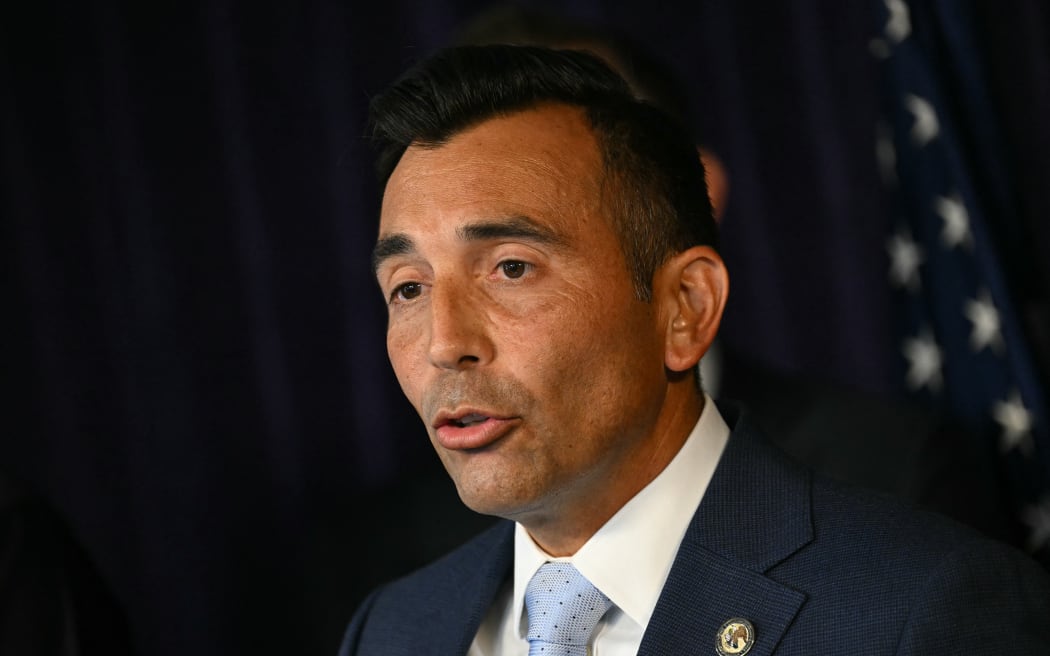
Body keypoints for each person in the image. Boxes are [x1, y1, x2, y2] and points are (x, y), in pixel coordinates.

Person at [339, 45, 1050, 655]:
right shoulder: (395, 630)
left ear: (686, 308)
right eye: (408, 288)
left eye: (512, 268)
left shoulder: (924, 610)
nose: (444, 343)